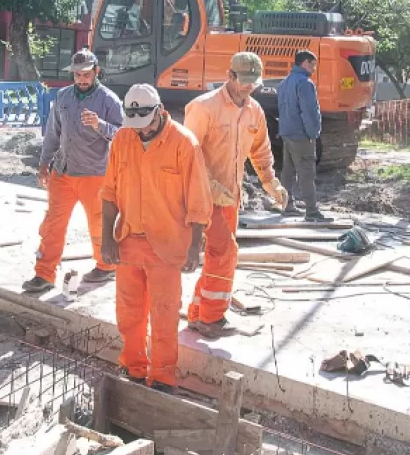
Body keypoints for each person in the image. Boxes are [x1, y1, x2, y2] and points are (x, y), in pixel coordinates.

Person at [100, 84, 212, 392]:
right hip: (128, 240)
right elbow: (109, 192)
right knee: (128, 312)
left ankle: (163, 377)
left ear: (159, 112)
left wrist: (194, 246)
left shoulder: (183, 143)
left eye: (146, 124)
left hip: (167, 243)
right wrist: (107, 237)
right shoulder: (123, 138)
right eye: (134, 125)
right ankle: (133, 367)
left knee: (163, 316)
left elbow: (199, 200)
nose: (141, 131)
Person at [184, 52, 289, 338]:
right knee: (224, 252)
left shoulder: (254, 111)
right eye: (244, 81)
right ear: (229, 76)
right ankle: (212, 317)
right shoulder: (203, 108)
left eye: (253, 83)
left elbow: (260, 150)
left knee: (219, 254)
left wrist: (271, 184)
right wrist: (209, 186)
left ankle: (198, 312)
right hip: (202, 196)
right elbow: (186, 155)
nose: (249, 87)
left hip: (230, 197)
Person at [22, 48, 124, 293]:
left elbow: (124, 135)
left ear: (96, 72)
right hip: (63, 173)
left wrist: (100, 125)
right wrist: (44, 165)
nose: (81, 78)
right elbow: (52, 134)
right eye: (77, 74)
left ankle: (106, 266)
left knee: (99, 224)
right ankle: (44, 274)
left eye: (86, 74)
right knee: (52, 225)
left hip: (95, 174)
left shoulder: (109, 100)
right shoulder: (63, 97)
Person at [277, 50, 332, 222]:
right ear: (305, 63)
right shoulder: (305, 83)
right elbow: (309, 112)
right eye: (313, 64)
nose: (314, 68)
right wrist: (313, 133)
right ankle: (312, 211)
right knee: (307, 172)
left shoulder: (284, 82)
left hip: (286, 132)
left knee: (288, 170)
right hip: (301, 135)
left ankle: (287, 205)